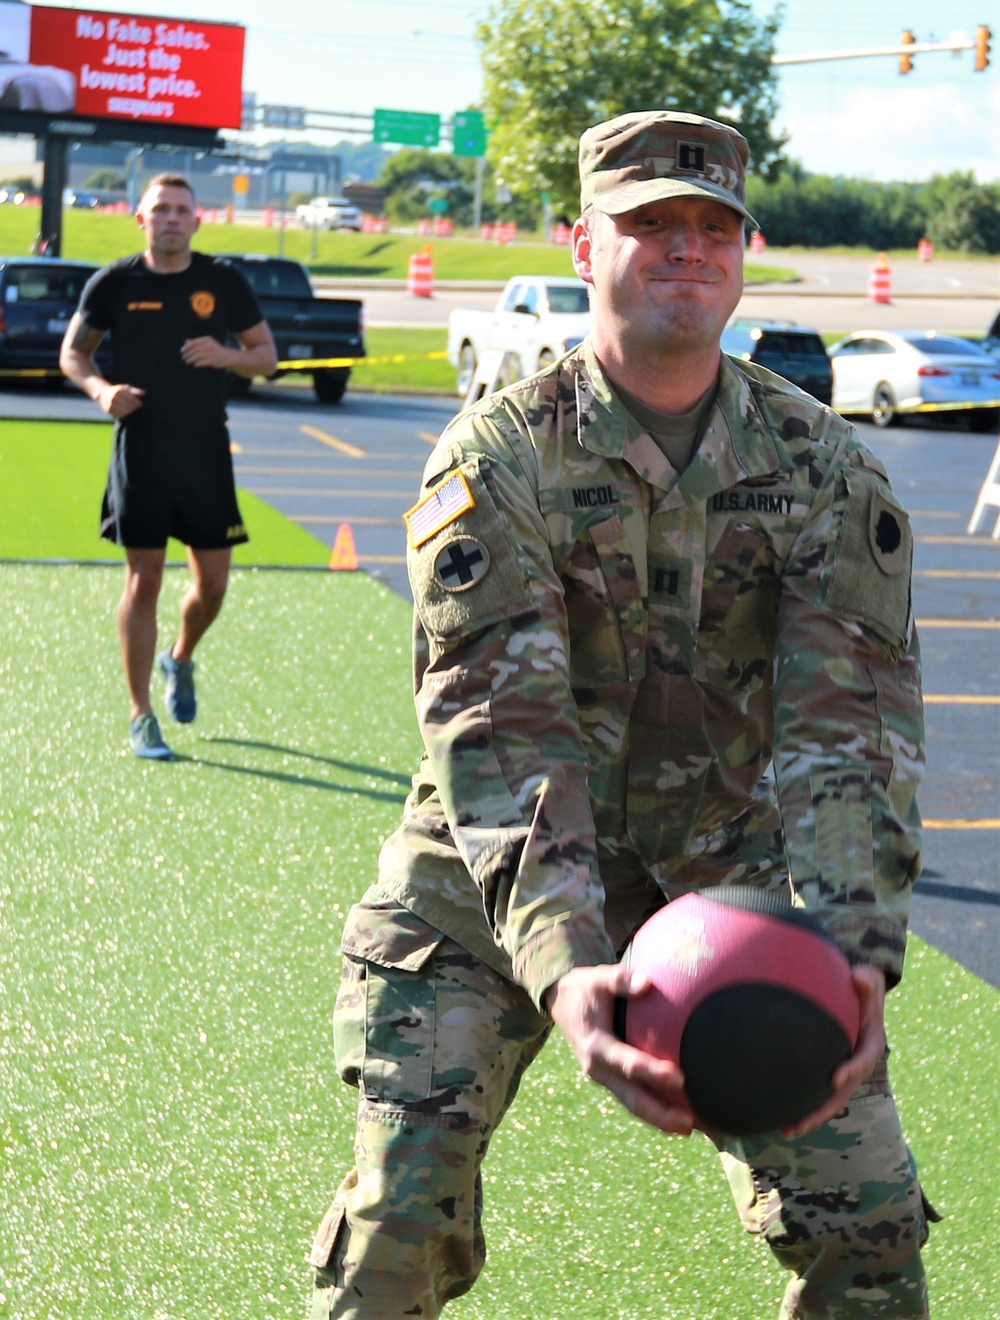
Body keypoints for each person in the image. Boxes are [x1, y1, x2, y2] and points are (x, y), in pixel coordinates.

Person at [307, 111, 934, 1319]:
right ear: (583, 242)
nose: (685, 250)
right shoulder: (500, 456)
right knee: (399, 1217)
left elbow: (843, 735)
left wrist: (856, 947)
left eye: (713, 227)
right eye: (652, 223)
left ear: (743, 254)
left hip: (730, 875)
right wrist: (562, 961)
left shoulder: (821, 466)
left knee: (871, 1230)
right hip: (496, 877)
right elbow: (504, 729)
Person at [60, 174, 277, 760]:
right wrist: (102, 392)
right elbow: (74, 354)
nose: (172, 219)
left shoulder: (223, 282)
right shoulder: (114, 283)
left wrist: (227, 354)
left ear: (197, 221)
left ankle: (179, 658)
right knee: (145, 577)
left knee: (212, 586)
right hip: (142, 448)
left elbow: (267, 357)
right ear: (141, 219)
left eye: (182, 210)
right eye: (161, 210)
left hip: (205, 449)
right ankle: (140, 714)